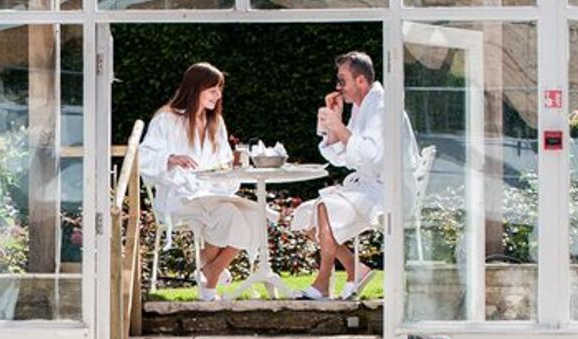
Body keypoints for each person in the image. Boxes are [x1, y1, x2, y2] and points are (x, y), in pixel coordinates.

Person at [292, 51, 419, 301]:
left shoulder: (381, 106)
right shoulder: (362, 107)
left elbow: (370, 155)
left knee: (324, 207)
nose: (338, 87)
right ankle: (354, 268)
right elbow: (343, 158)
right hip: (369, 187)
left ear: (361, 81)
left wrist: (338, 126)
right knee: (305, 214)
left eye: (342, 81)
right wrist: (334, 123)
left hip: (389, 190)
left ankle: (322, 283)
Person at [138, 63, 269, 301]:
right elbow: (144, 156)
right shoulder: (166, 119)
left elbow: (225, 162)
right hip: (178, 196)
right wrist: (170, 159)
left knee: (255, 216)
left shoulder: (215, 123)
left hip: (212, 193)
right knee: (229, 214)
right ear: (195, 88)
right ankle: (210, 280)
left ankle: (210, 270)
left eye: (220, 90)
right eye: (213, 90)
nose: (218, 96)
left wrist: (231, 169)